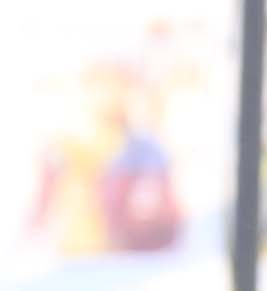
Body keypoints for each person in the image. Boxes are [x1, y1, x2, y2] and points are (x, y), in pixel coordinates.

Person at [29, 54, 187, 254]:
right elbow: (39, 215)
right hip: (72, 258)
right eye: (102, 87)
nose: (111, 97)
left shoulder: (147, 152)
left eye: (119, 87)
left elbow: (169, 219)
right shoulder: (63, 149)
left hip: (131, 260)